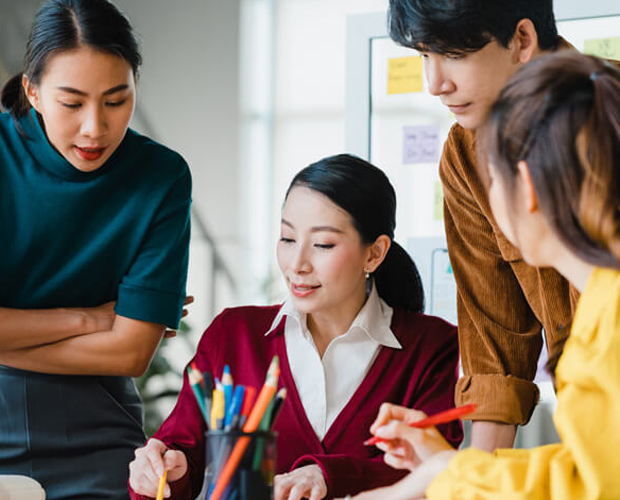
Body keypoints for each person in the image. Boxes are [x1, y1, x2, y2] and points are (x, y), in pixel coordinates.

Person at [0, 0, 192, 498]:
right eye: (72, 103)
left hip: (101, 430)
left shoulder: (161, 177)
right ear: (32, 91)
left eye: (117, 100)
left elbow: (130, 352)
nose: (95, 128)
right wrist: (89, 319)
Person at [352, 51, 620, 500]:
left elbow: (590, 487)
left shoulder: (609, 322)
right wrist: (449, 466)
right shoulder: (601, 304)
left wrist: (439, 478)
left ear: (527, 186)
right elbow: (589, 465)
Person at [127, 155, 462, 500]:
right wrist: (164, 469)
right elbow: (181, 450)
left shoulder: (431, 346)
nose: (297, 265)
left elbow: (437, 472)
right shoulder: (233, 334)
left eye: (322, 245)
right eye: (287, 238)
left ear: (374, 254)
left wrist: (329, 476)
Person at [386, 0, 593, 452]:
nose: (434, 84)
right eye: (424, 55)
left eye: (452, 53)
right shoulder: (464, 155)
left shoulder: (608, 117)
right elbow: (493, 347)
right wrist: (471, 477)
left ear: (522, 40)